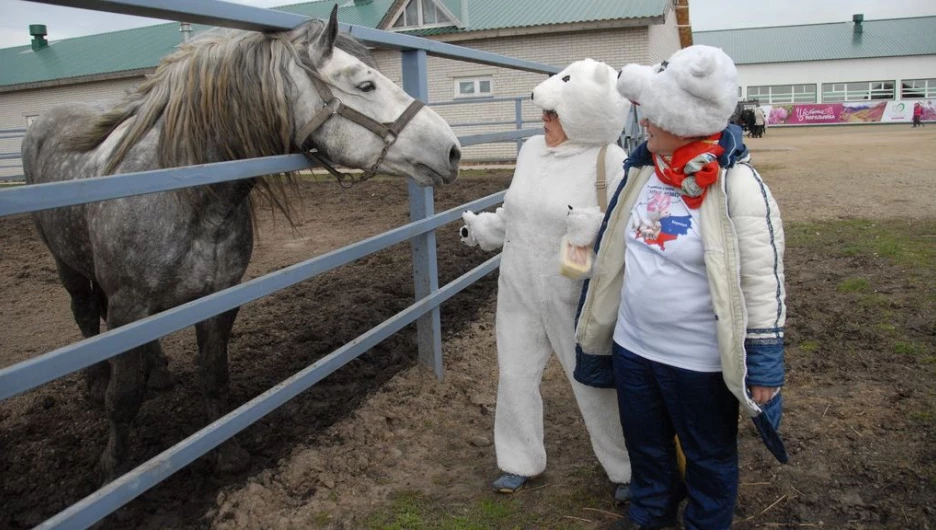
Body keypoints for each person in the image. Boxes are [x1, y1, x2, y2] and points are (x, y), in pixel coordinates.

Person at [573, 45, 788, 530]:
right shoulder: (642, 170)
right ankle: (650, 515)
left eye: (653, 114)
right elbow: (617, 250)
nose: (643, 123)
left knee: (709, 458)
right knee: (646, 448)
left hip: (699, 363)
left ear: (684, 117)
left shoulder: (739, 187)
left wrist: (766, 362)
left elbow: (761, 279)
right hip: (634, 349)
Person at [460, 58, 633, 501]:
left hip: (571, 289)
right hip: (517, 286)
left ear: (584, 115)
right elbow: (517, 213)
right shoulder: (532, 151)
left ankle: (626, 468)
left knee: (590, 380)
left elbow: (622, 231)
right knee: (514, 376)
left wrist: (591, 229)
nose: (544, 119)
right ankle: (519, 461)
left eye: (554, 114)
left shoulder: (609, 160)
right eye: (546, 111)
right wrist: (485, 230)